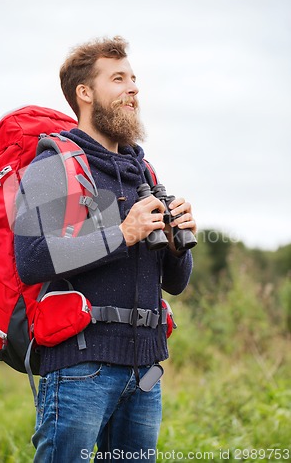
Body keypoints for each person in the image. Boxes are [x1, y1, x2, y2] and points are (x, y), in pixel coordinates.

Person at [14, 36, 196, 462]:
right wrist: (124, 233)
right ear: (85, 93)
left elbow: (177, 283)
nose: (134, 88)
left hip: (145, 373)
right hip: (80, 370)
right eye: (118, 78)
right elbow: (31, 260)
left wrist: (176, 245)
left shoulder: (144, 174)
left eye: (133, 78)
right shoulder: (49, 165)